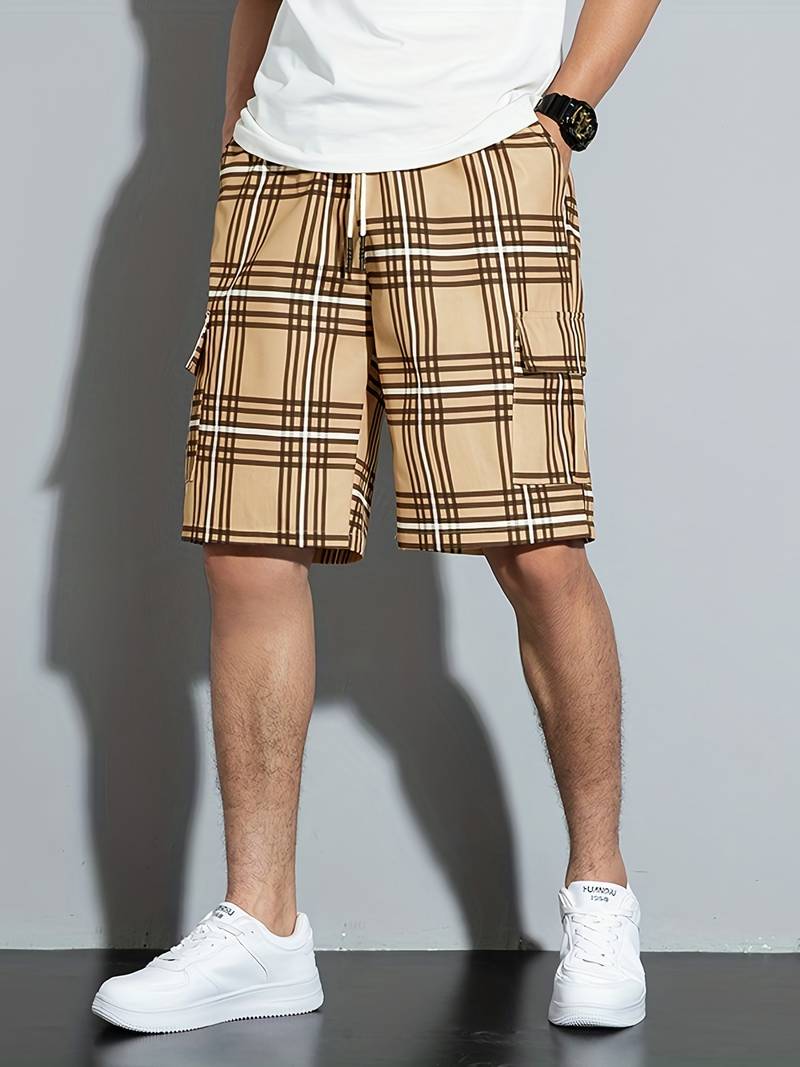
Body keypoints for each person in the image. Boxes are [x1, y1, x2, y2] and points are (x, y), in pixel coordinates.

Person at [92, 0, 661, 1035]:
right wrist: (239, 127)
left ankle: (600, 893)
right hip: (284, 170)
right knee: (248, 547)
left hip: (478, 160)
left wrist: (566, 110)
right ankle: (263, 925)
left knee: (535, 545)